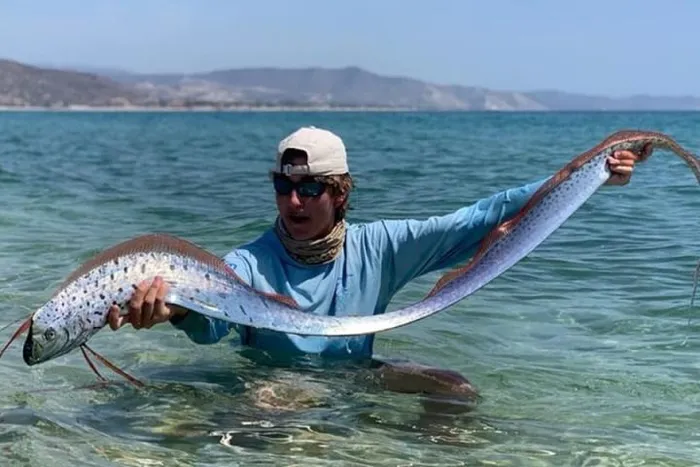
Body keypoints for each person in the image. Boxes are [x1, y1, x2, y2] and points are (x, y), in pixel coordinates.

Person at [107, 126, 642, 402]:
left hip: (352, 378)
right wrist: (173, 312)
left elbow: (484, 217)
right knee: (282, 408)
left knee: (456, 391)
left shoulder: (381, 246)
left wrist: (590, 174)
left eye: (309, 188)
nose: (294, 202)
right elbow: (211, 325)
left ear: (339, 193)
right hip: (269, 391)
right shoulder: (246, 263)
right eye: (283, 187)